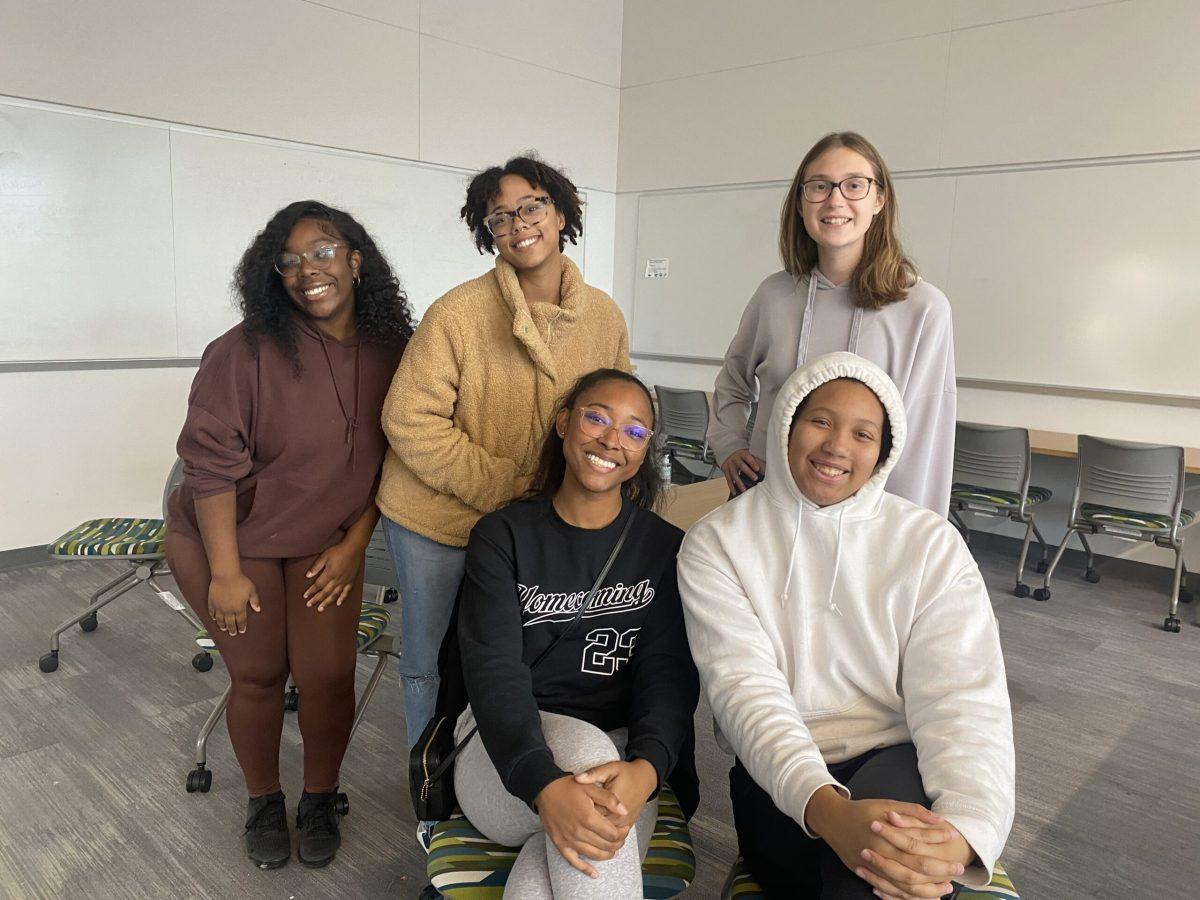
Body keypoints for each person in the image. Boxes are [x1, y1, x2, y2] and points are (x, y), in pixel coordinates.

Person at [679, 352, 1014, 899]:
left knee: (890, 872)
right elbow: (745, 693)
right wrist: (830, 813)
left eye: (864, 433)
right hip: (780, 780)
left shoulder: (929, 543)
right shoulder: (718, 542)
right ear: (787, 423)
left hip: (898, 758)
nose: (838, 446)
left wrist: (964, 830)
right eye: (821, 421)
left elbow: (964, 695)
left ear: (883, 451)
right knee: (866, 881)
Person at [165, 201, 414, 869]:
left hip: (325, 537)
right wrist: (224, 571)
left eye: (324, 252)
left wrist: (355, 542)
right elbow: (209, 465)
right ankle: (263, 800)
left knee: (330, 674)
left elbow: (397, 460)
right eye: (290, 261)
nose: (308, 270)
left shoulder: (396, 348)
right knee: (259, 676)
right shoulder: (243, 351)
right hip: (229, 537)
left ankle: (319, 796)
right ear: (274, 275)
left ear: (356, 260)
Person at [377, 155, 630, 774]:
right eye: (499, 217)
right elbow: (408, 417)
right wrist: (506, 484)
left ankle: (509, 782)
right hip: (438, 519)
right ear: (486, 232)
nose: (518, 224)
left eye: (532, 206)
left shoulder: (602, 316)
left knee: (515, 659)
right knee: (432, 661)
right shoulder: (458, 313)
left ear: (561, 212)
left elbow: (614, 409)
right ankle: (433, 795)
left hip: (535, 524)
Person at [453, 368, 699, 898]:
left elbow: (668, 673)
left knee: (546, 879)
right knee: (589, 769)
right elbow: (493, 672)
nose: (613, 439)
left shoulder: (664, 548)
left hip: (622, 770)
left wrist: (648, 769)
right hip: (502, 756)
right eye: (597, 418)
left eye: (635, 431)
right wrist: (543, 782)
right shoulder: (503, 536)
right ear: (564, 423)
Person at [708, 131, 956, 515]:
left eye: (854, 185)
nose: (835, 199)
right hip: (766, 507)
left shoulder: (923, 309)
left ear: (879, 199)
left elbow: (923, 441)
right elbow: (733, 379)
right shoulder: (774, 295)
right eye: (819, 186)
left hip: (859, 524)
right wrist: (730, 445)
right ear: (800, 203)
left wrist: (907, 537)